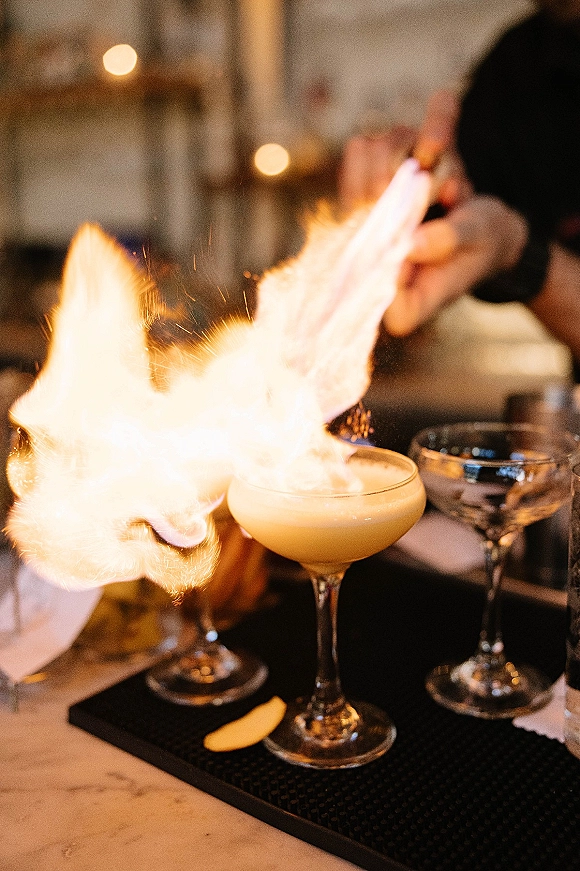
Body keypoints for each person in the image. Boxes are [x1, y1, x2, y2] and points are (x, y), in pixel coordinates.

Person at [337, 0, 580, 373]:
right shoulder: (521, 64)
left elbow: (509, 240)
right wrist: (412, 180)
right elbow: (461, 196)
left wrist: (522, 253)